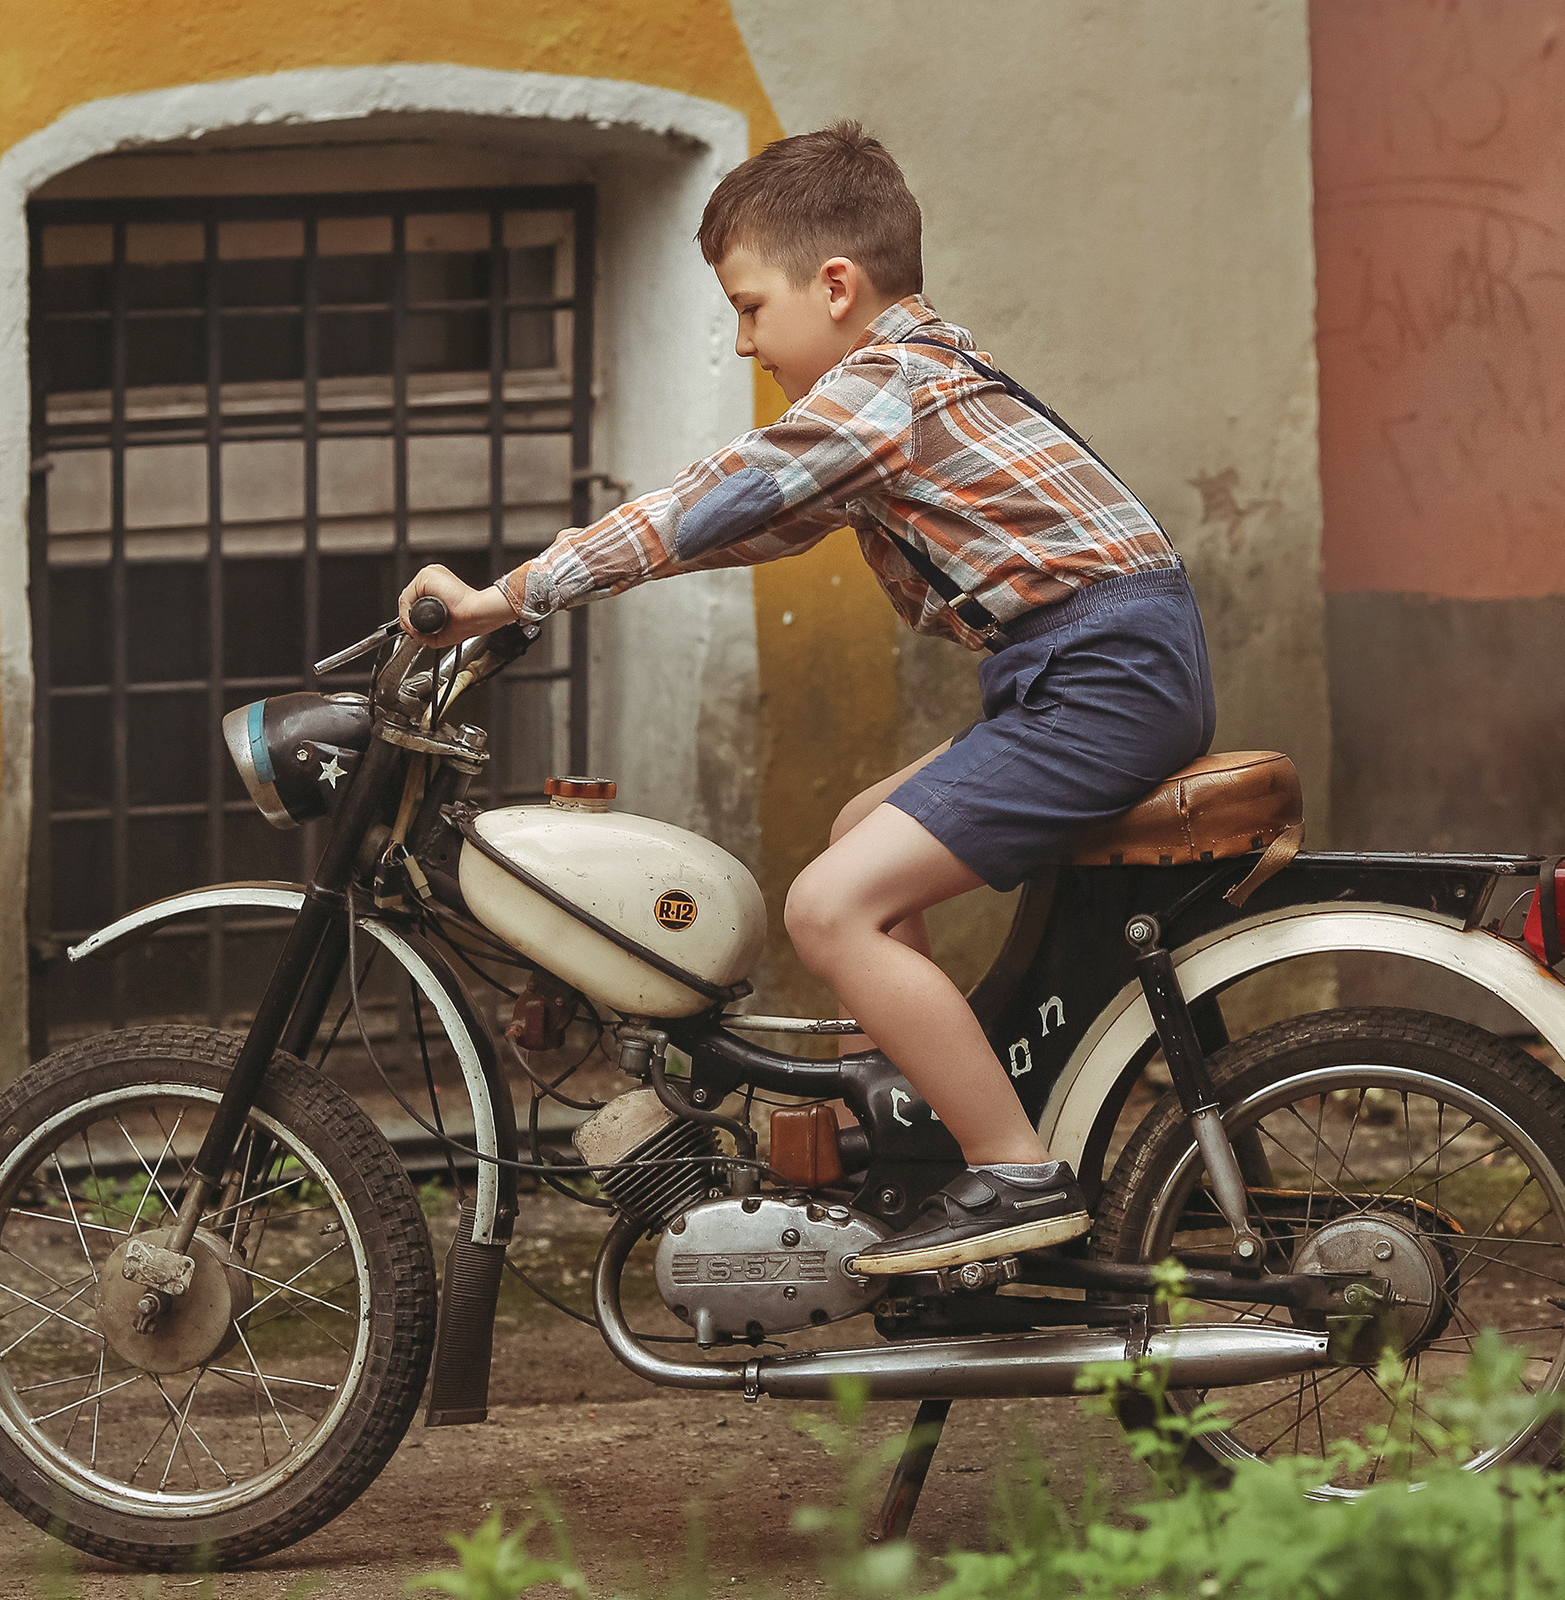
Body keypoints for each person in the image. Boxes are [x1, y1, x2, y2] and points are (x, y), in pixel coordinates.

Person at [398, 123, 1214, 1276]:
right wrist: (561, 597)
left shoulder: (883, 384)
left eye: (748, 308)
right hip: (1084, 671)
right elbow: (763, 524)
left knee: (830, 909)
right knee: (853, 838)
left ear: (837, 287)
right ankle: (932, 1127)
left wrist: (510, 592)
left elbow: (721, 494)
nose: (743, 342)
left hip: (1102, 678)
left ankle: (1015, 1174)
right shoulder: (906, 384)